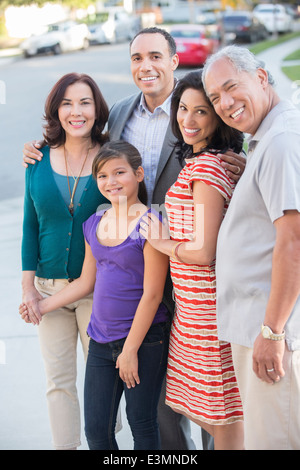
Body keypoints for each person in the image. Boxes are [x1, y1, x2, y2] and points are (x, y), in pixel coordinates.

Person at [21, 27, 245, 451]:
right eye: (137, 58)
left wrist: (240, 158)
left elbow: (223, 142)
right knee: (160, 398)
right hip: (134, 264)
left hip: (187, 261)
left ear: (174, 62)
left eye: (156, 56)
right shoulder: (121, 112)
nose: (147, 66)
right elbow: (87, 147)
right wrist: (38, 149)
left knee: (209, 386)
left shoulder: (193, 108)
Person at [21, 140, 170, 450]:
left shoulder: (150, 225)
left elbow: (153, 295)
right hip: (101, 340)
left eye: (119, 173)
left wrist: (130, 350)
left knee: (141, 423)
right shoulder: (94, 224)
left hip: (143, 341)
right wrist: (41, 305)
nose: (110, 182)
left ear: (138, 174)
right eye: (102, 176)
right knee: (97, 431)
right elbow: (86, 282)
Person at [140, 70, 244, 450]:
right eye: (183, 108)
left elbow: (203, 251)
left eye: (201, 111)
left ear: (218, 117)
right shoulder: (203, 163)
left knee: (225, 421)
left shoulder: (207, 168)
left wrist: (162, 241)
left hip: (208, 312)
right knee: (209, 411)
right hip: (193, 309)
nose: (188, 120)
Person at [202, 45, 300, 450]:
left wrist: (272, 332)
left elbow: (293, 242)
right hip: (262, 327)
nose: (225, 104)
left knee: (273, 441)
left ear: (261, 77)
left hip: (271, 331)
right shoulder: (266, 141)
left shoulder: (279, 142)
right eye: (215, 98)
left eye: (231, 87)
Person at [21, 72, 113, 450]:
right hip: (47, 290)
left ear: (97, 109)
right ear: (56, 110)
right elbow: (30, 225)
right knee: (58, 382)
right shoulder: (36, 159)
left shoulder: (111, 156)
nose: (76, 111)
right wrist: (28, 288)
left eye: (85, 102)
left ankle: (104, 443)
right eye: (67, 103)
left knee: (103, 382)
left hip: (99, 293)